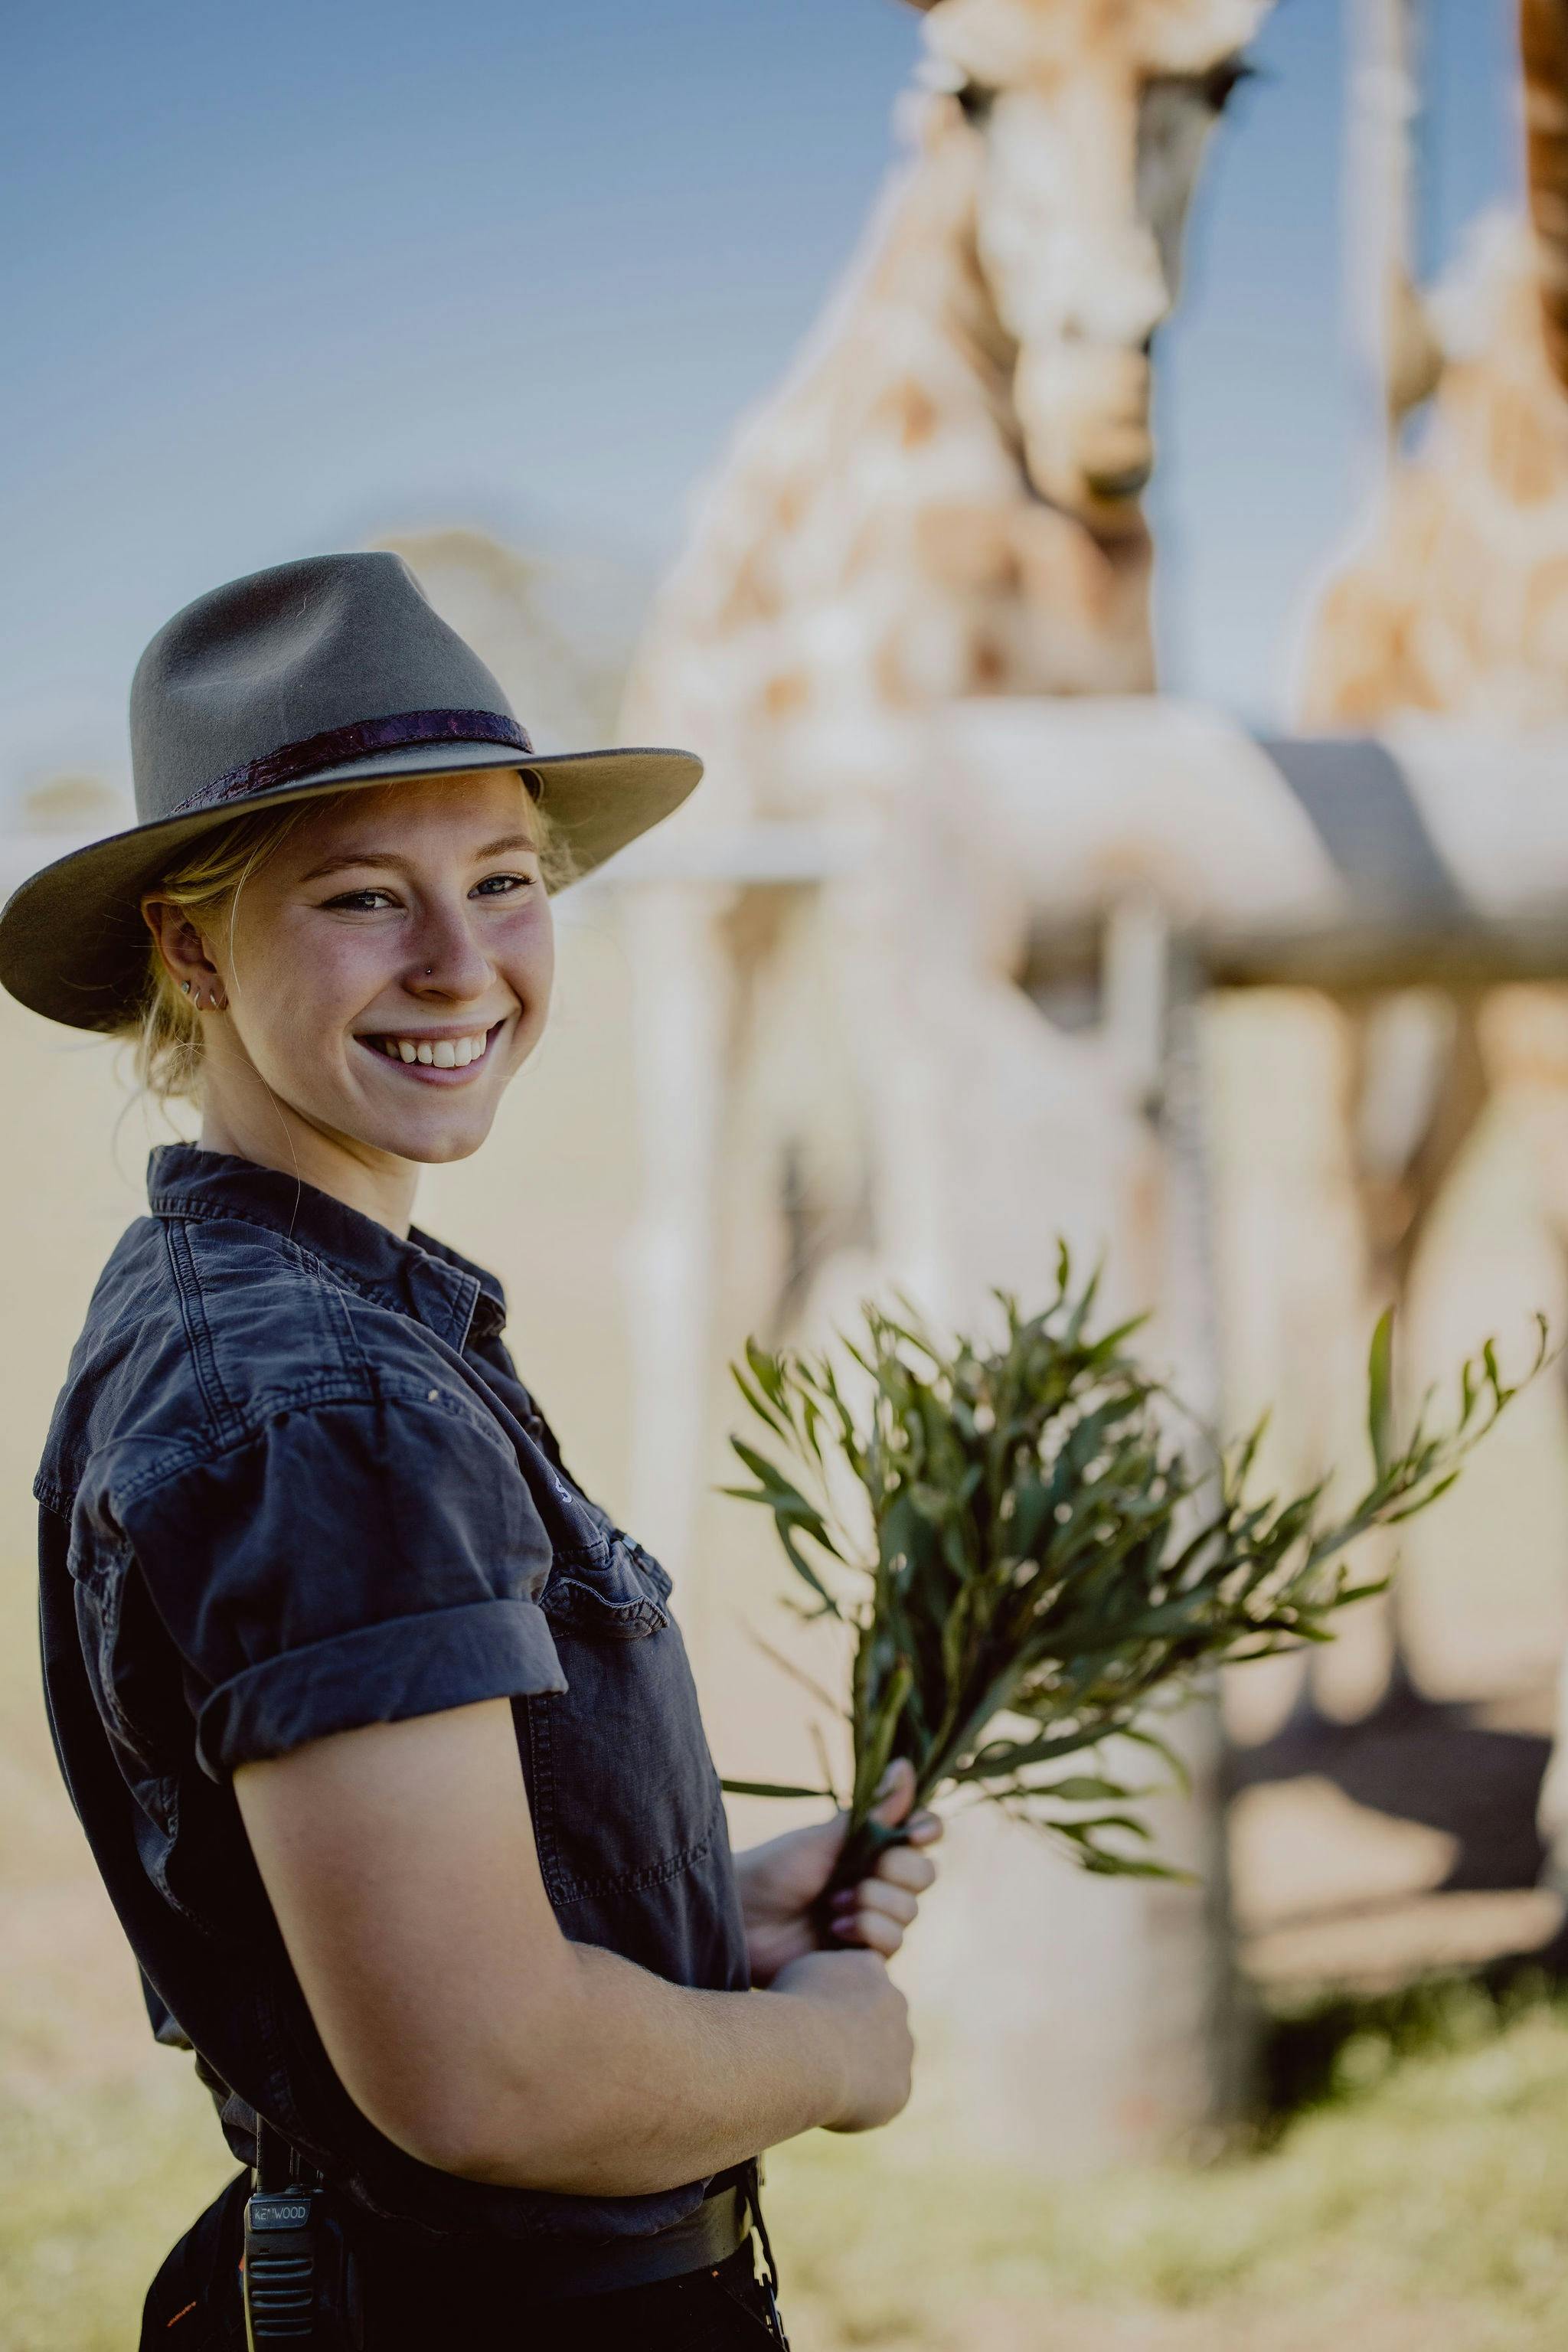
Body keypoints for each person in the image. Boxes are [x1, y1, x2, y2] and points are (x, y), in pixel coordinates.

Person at [0, 553, 942, 2348]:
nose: (462, 963)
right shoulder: (322, 1408)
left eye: (504, 882)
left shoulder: (279, 1310)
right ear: (188, 948)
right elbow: (486, 2077)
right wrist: (829, 2048)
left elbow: (399, 1944)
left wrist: (693, 1911)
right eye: (365, 898)